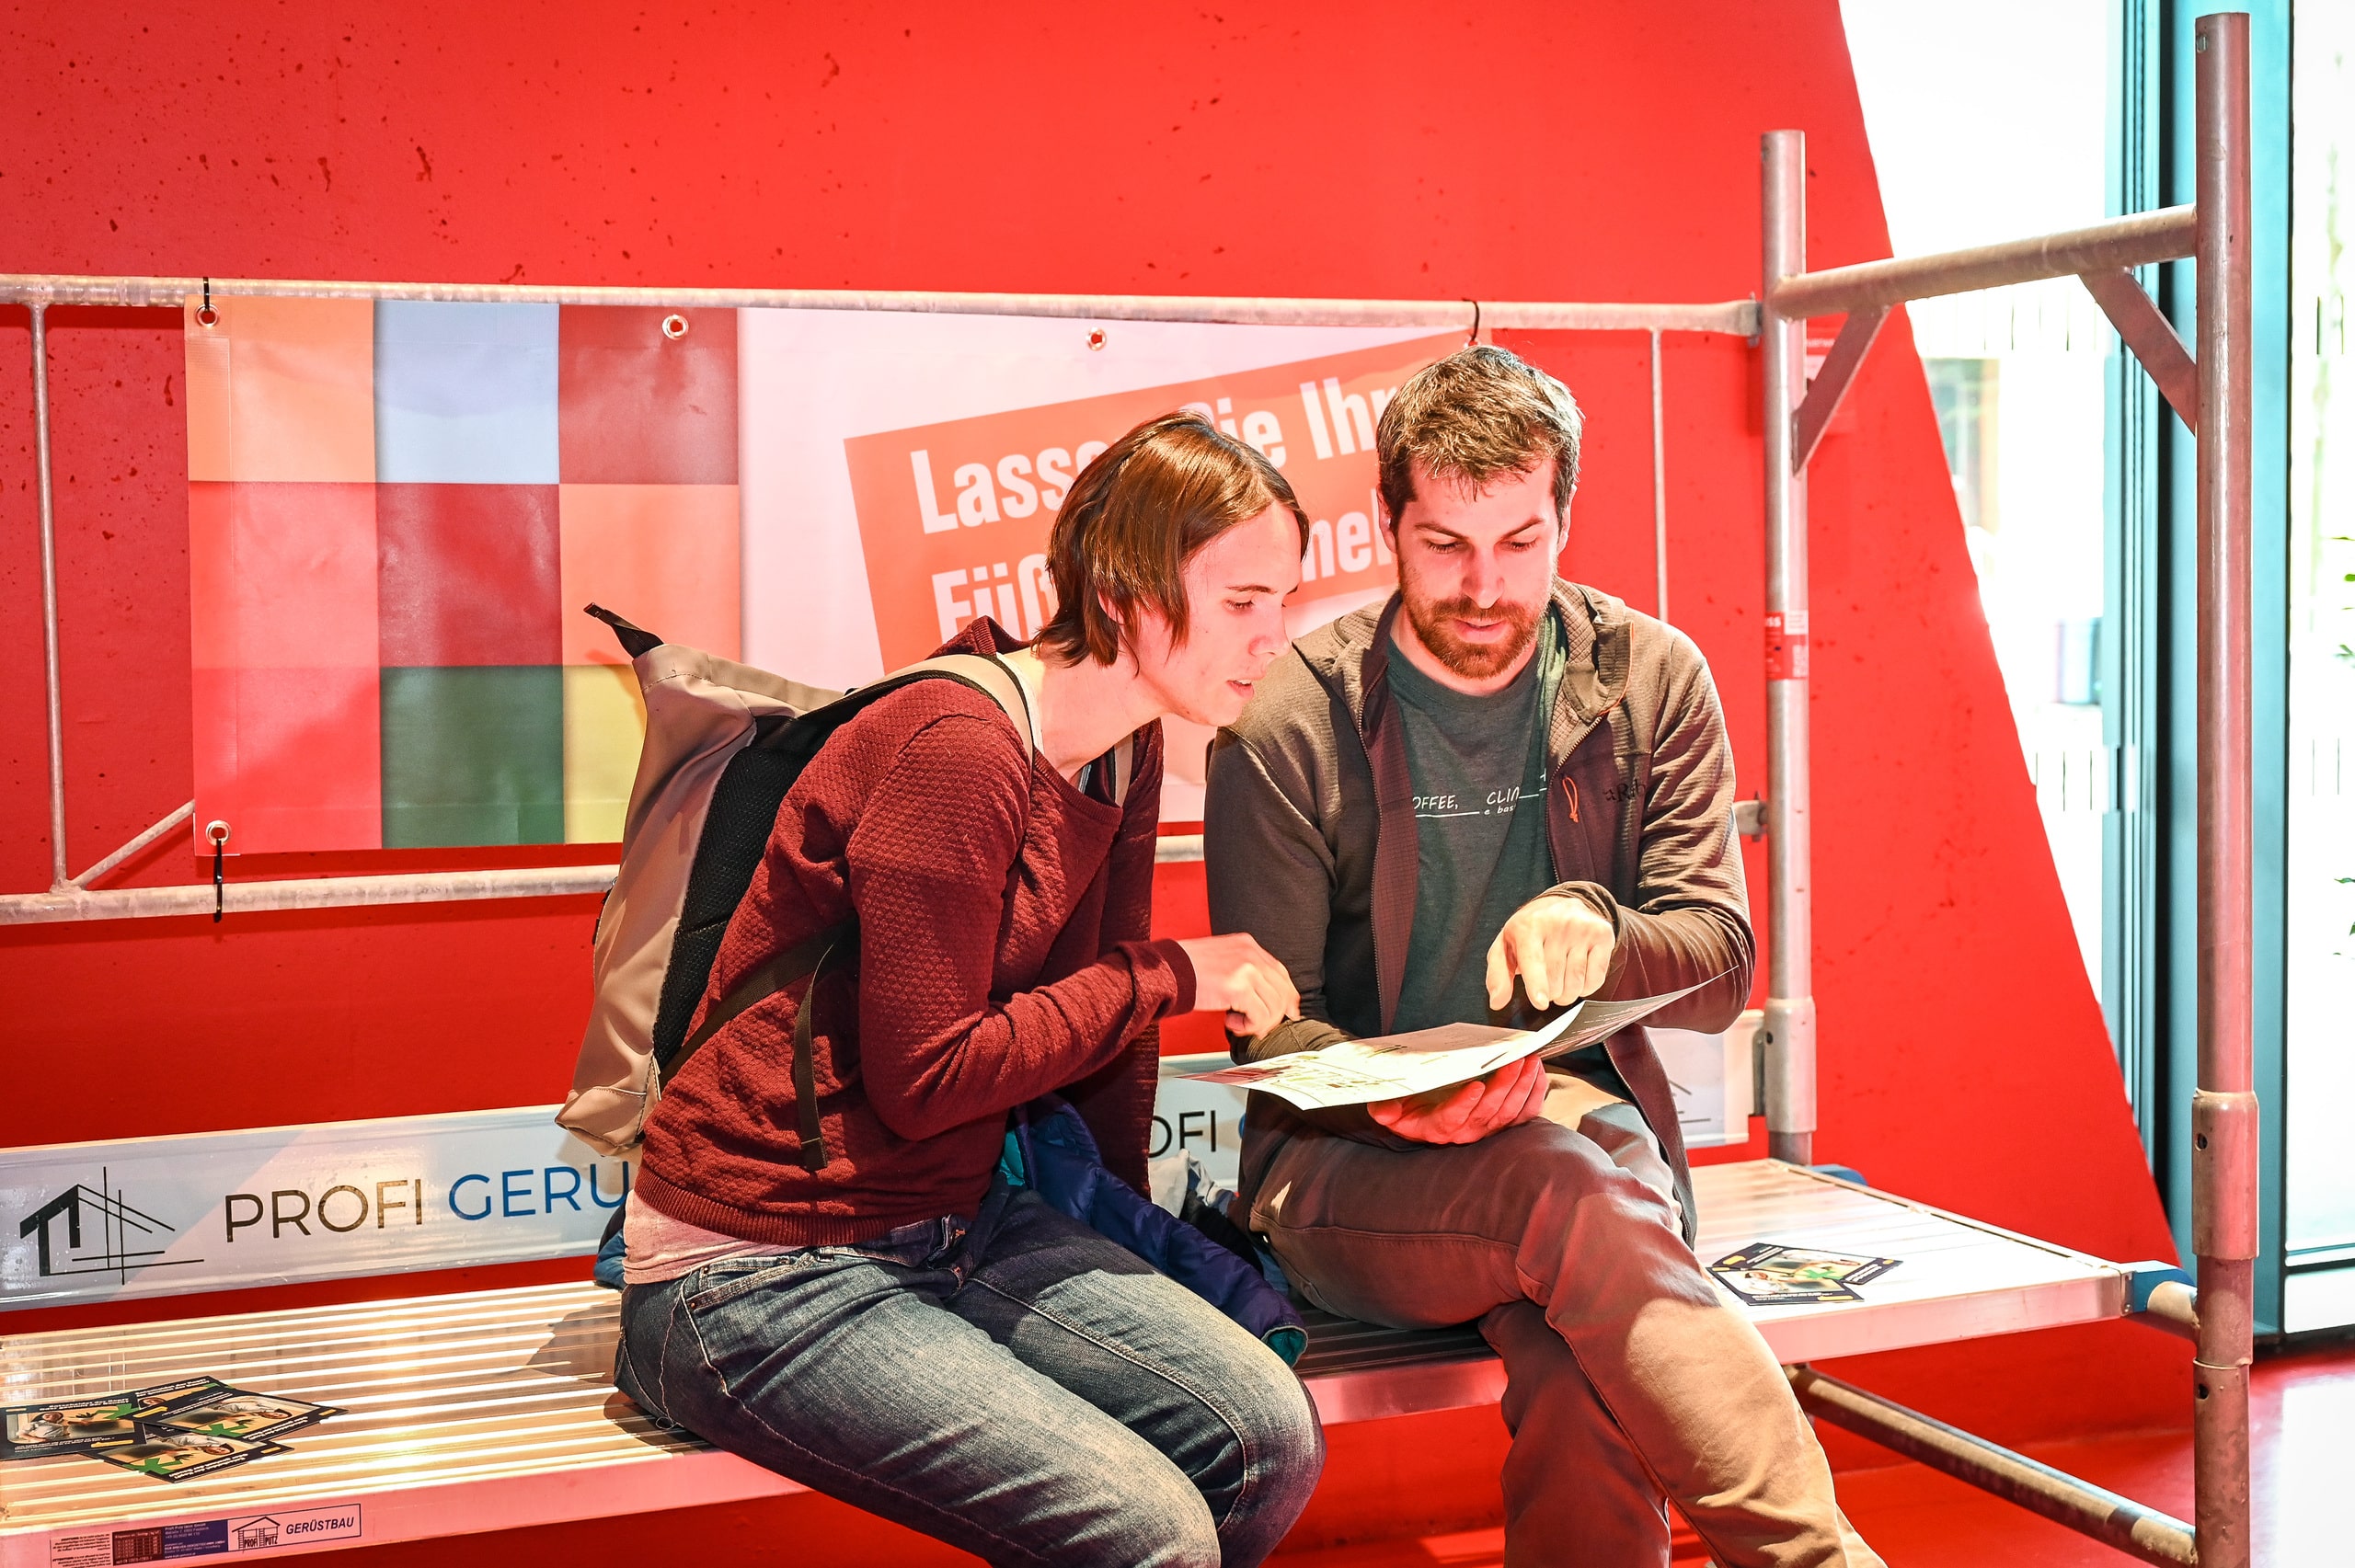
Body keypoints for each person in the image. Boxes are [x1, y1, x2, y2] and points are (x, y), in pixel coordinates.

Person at [1204, 347, 1883, 1567]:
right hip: (1346, 1171)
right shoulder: (1288, 717)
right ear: (1385, 526)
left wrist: (1607, 931)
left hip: (1585, 1141)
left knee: (1592, 1361)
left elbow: (1724, 959)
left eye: (1520, 542)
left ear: (1566, 517)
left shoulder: (1651, 675)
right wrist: (1410, 1104)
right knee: (1566, 1191)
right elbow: (1272, 1031)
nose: (1482, 586)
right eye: (1445, 545)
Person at [616, 411, 1324, 1568]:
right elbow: (928, 1076)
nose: (1274, 636)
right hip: (752, 1272)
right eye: (1243, 601)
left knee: (1264, 1439)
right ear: (1128, 590)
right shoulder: (955, 748)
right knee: (1152, 1538)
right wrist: (1171, 975)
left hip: (954, 1221)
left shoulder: (1125, 743)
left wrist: (1126, 1237)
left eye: (1284, 600)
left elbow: (1101, 1038)